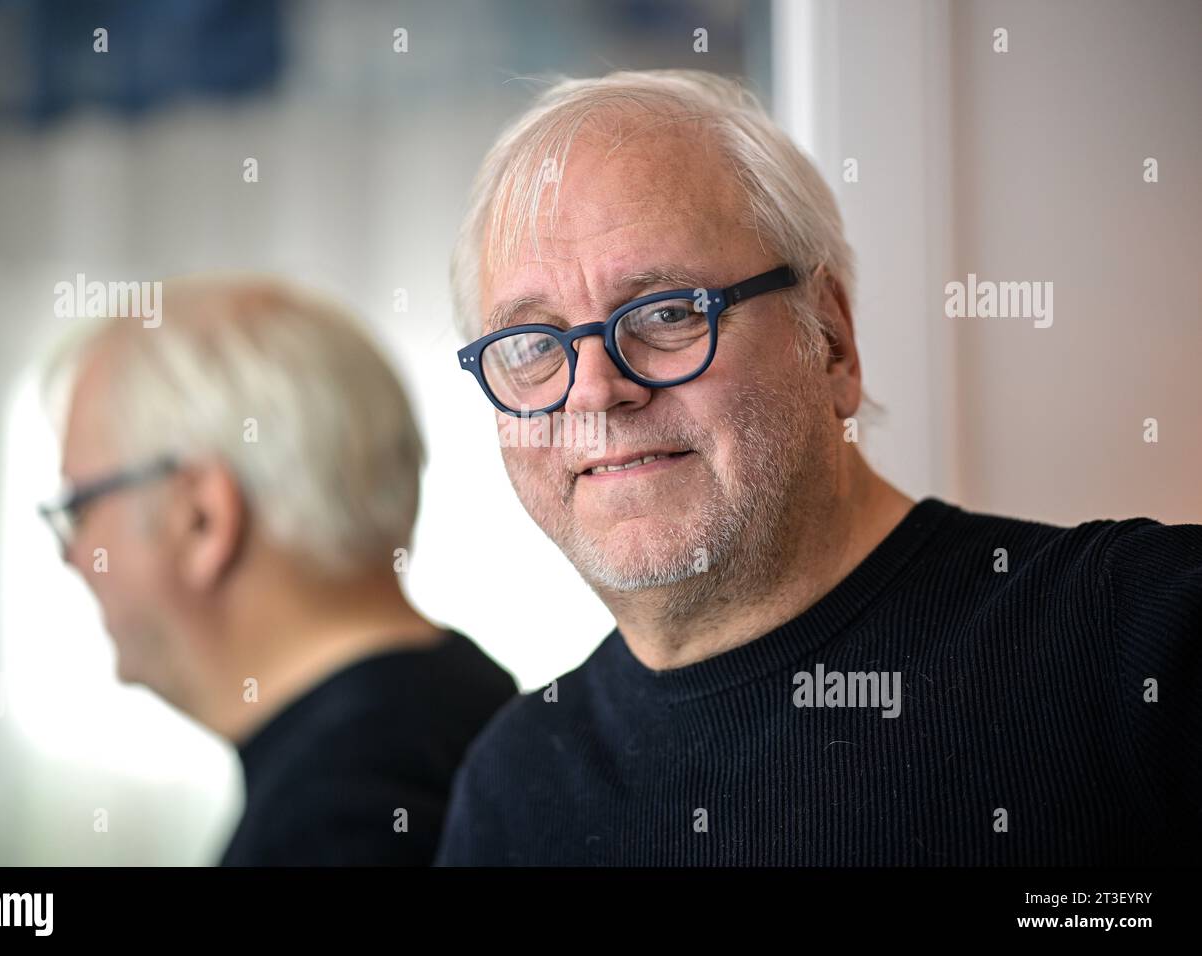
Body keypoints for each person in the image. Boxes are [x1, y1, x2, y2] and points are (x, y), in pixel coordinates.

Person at [436, 70, 1202, 865]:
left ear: (831, 339)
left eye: (667, 313)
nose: (594, 389)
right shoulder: (514, 786)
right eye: (531, 345)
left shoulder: (1139, 639)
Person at [39, 275, 515, 865]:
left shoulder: (335, 821)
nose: (72, 555)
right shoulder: (473, 723)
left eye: (79, 509)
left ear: (201, 518)